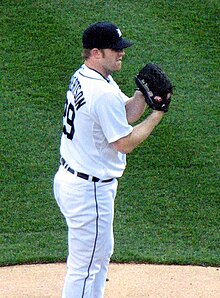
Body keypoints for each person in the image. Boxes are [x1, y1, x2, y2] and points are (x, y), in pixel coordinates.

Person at [53, 21, 166, 298]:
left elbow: (122, 114)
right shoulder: (100, 92)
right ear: (95, 52)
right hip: (88, 190)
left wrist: (141, 95)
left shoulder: (89, 76)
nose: (121, 53)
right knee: (85, 268)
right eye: (114, 49)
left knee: (98, 258)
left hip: (76, 179)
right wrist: (157, 115)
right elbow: (123, 142)